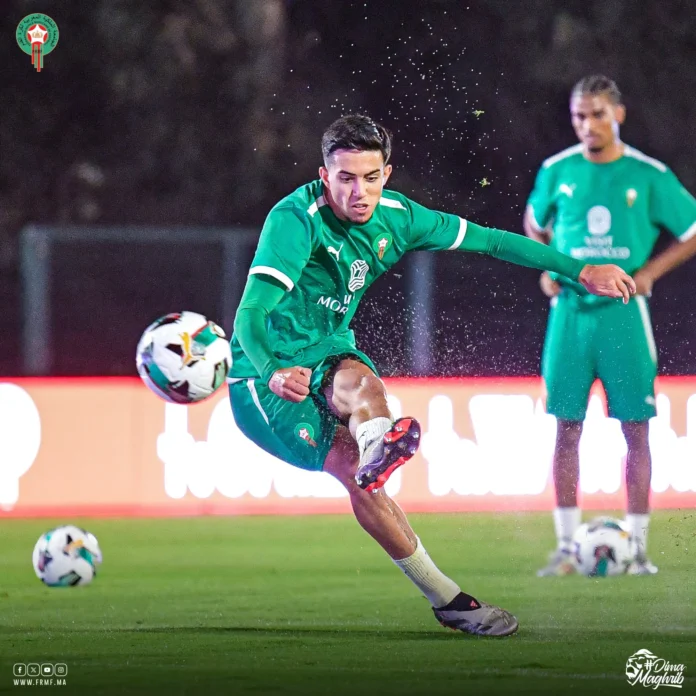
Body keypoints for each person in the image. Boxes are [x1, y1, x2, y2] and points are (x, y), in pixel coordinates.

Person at [228, 113, 635, 636]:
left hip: (328, 349)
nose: (358, 192)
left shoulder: (399, 217)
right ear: (324, 176)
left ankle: (377, 453)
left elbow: (491, 241)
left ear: (387, 174)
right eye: (345, 178)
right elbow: (250, 314)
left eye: (370, 178)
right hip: (260, 378)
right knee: (353, 472)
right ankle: (445, 595)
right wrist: (271, 370)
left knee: (365, 389)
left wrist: (579, 270)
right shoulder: (295, 220)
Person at [524, 76, 696, 577]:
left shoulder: (648, 174)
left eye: (597, 113)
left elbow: (691, 230)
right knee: (566, 428)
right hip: (570, 315)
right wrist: (549, 266)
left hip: (624, 315)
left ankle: (637, 550)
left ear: (618, 114)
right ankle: (565, 548)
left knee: (635, 429)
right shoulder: (557, 170)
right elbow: (533, 223)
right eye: (579, 116)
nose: (587, 124)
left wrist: (649, 273)